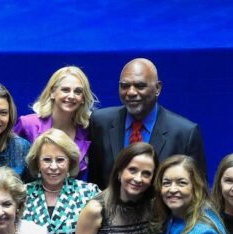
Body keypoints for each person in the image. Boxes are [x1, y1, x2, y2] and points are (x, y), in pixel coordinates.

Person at [87, 58, 206, 189]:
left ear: (158, 88)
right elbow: (94, 183)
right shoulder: (100, 122)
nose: (131, 92)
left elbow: (198, 191)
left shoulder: (185, 133)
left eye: (140, 86)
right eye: (125, 85)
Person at [14, 66, 97, 181]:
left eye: (78, 91)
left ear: (83, 98)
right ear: (52, 92)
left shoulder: (88, 130)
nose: (71, 96)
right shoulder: (27, 124)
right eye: (65, 90)